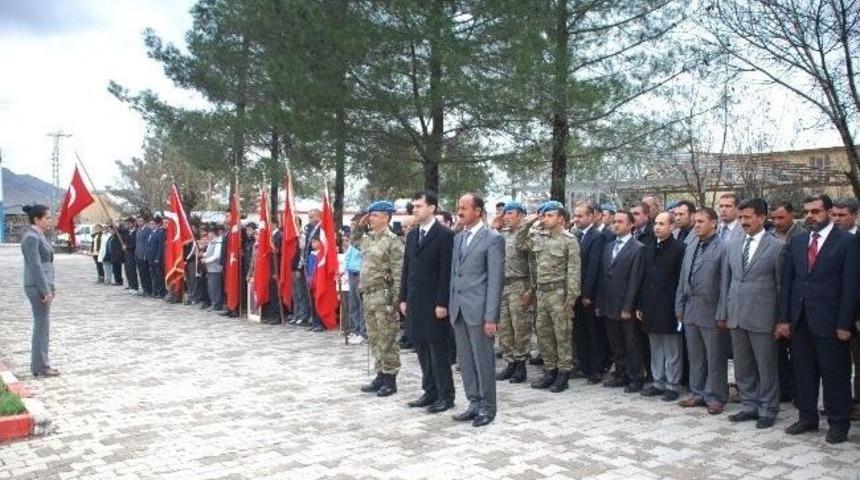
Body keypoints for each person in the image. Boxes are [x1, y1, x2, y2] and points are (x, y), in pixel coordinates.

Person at [778, 194, 857, 444]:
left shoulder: (847, 242)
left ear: (828, 211)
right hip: (800, 320)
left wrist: (845, 323)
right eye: (807, 212)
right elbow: (789, 284)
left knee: (835, 375)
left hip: (831, 322)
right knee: (804, 373)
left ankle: (838, 424)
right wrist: (784, 319)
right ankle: (807, 418)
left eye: (816, 211)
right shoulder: (799, 241)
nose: (810, 216)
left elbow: (852, 286)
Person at [718, 198, 783, 429]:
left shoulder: (776, 246)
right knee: (743, 365)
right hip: (736, 314)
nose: (743, 221)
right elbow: (727, 281)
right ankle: (749, 405)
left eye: (747, 217)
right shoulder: (733, 245)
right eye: (741, 217)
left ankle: (768, 408)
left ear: (762, 218)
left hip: (763, 316)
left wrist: (780, 319)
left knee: (766, 366)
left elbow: (780, 286)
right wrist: (723, 311)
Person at [448, 193, 505, 427]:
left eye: (464, 207)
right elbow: (455, 275)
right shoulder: (459, 238)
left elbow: (495, 281)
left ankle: (488, 407)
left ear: (478, 211)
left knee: (483, 361)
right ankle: (473, 402)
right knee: (466, 361)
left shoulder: (492, 239)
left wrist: (491, 317)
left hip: (480, 311)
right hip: (460, 310)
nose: (459, 211)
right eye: (458, 207)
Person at [400, 190, 456, 414]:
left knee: (438, 350)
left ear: (432, 208)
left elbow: (446, 272)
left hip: (435, 304)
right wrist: (402, 297)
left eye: (419, 206)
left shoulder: (444, 235)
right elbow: (407, 268)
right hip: (415, 302)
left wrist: (443, 302)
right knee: (421, 348)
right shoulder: (413, 235)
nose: (415, 210)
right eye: (413, 206)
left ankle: (446, 395)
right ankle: (429, 391)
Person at [516, 200, 581, 393]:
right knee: (543, 334)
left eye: (550, 215)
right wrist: (530, 221)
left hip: (559, 293)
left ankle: (563, 374)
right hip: (542, 293)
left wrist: (571, 298)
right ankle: (550, 370)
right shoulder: (539, 237)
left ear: (561, 219)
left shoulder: (569, 240)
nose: (545, 218)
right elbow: (520, 243)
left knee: (561, 335)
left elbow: (574, 271)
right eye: (544, 215)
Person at [676, 207, 729, 415]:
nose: (696, 225)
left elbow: (725, 282)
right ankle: (698, 393)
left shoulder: (723, 247)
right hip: (691, 309)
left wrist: (723, 311)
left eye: (701, 221)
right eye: (695, 221)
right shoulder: (690, 246)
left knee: (715, 357)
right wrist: (679, 306)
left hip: (712, 310)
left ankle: (715, 396)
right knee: (696, 356)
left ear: (714, 223)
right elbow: (683, 279)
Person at [353, 202, 404, 397]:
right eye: (370, 216)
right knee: (374, 337)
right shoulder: (369, 239)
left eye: (374, 215)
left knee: (387, 338)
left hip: (384, 296)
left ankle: (390, 378)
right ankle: (380, 374)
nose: (371, 218)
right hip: (368, 294)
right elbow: (355, 240)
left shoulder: (393, 242)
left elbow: (399, 274)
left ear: (386, 217)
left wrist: (396, 302)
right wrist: (359, 224)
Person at [595, 211, 646, 391]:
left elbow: (635, 279)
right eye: (614, 222)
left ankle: (636, 377)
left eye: (620, 222)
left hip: (625, 305)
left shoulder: (638, 248)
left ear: (631, 225)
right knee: (615, 342)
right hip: (609, 303)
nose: (616, 225)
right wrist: (600, 303)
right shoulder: (608, 246)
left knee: (631, 343)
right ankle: (621, 373)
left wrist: (628, 306)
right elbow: (603, 276)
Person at [637, 212, 685, 401]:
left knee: (672, 348)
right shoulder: (648, 248)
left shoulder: (680, 249)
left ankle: (673, 384)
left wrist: (679, 308)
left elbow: (681, 281)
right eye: (656, 223)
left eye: (662, 224)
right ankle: (658, 381)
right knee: (655, 346)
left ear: (672, 227)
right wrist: (641, 304)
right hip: (650, 305)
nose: (657, 227)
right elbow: (643, 278)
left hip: (670, 305)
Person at [768, 201, 805, 403]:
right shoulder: (769, 236)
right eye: (773, 218)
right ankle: (785, 388)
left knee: (799, 353)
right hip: (774, 301)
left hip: (796, 300)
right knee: (778, 351)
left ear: (791, 215)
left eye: (781, 217)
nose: (777, 222)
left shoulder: (801, 235)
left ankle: (801, 393)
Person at [493, 202, 533, 384]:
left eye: (510, 213)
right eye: (504, 213)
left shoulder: (527, 236)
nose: (506, 216)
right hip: (503, 285)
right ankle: (510, 363)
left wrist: (531, 289)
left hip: (519, 284)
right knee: (505, 328)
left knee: (520, 327)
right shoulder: (501, 235)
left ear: (521, 216)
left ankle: (520, 365)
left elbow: (534, 265)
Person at [572, 203, 610, 383]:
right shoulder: (578, 235)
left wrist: (587, 294)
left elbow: (594, 267)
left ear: (591, 216)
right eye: (575, 216)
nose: (576, 219)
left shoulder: (597, 237)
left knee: (593, 332)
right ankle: (584, 365)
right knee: (580, 332)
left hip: (589, 295)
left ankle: (596, 369)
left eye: (580, 216)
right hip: (576, 293)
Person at [21, 204, 58, 378]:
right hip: (36, 286)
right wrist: (45, 290)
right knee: (41, 325)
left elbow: (46, 263)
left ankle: (41, 364)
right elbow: (35, 266)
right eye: (47, 217)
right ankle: (40, 365)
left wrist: (51, 285)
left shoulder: (38, 235)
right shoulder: (31, 237)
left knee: (43, 325)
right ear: (37, 219)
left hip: (43, 284)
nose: (49, 220)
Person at [345, 214, 366, 344]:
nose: (353, 228)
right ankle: (356, 330)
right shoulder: (354, 241)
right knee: (354, 304)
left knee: (362, 305)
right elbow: (348, 256)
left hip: (361, 274)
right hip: (352, 273)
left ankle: (363, 332)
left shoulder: (365, 239)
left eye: (355, 225)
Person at [202, 226, 224, 311]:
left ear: (214, 234)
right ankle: (213, 302)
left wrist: (206, 260)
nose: (208, 235)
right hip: (210, 268)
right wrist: (203, 255)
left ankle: (217, 304)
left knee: (215, 287)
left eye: (210, 233)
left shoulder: (218, 243)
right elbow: (208, 252)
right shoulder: (211, 243)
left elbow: (216, 256)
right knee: (211, 287)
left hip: (215, 268)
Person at [147, 217, 166, 298]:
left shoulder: (160, 233)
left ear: (158, 224)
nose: (151, 225)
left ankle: (161, 292)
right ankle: (155, 291)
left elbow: (160, 247)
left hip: (156, 258)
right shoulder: (151, 233)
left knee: (159, 276)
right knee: (153, 275)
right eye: (150, 224)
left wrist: (157, 257)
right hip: (150, 257)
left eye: (153, 224)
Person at [134, 216, 152, 296]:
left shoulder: (147, 230)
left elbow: (147, 244)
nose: (139, 223)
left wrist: (146, 254)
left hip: (145, 256)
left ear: (144, 221)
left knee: (146, 274)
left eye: (141, 221)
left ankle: (149, 290)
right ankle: (144, 289)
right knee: (141, 274)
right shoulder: (138, 231)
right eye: (138, 221)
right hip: (138, 255)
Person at [121, 217, 138, 293]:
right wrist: (113, 224)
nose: (127, 225)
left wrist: (127, 247)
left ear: (133, 223)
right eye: (126, 224)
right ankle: (130, 285)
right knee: (127, 270)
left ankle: (135, 287)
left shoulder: (136, 232)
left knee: (132, 271)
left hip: (133, 254)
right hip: (127, 254)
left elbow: (135, 244)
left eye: (129, 224)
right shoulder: (127, 232)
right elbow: (120, 231)